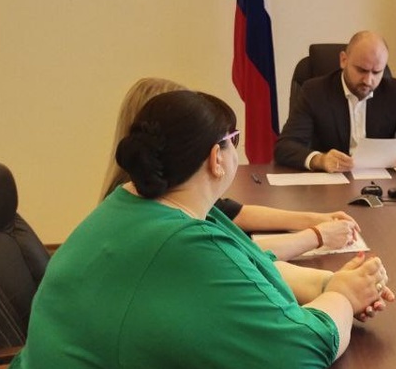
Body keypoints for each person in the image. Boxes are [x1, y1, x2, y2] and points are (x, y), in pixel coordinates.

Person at [0, 90, 396, 369]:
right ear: (215, 158)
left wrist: (330, 285)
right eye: (235, 140)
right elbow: (296, 355)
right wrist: (343, 297)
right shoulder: (179, 242)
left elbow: (248, 266)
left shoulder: (138, 206)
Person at [103, 77, 359, 260]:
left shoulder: (156, 184)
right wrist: (317, 236)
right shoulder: (152, 201)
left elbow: (230, 213)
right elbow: (230, 257)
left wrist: (314, 220)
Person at [275, 31, 396, 172]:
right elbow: (285, 147)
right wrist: (320, 160)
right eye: (361, 70)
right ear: (343, 60)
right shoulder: (314, 91)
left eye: (376, 72)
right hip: (330, 185)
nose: (368, 80)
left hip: (381, 185)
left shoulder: (395, 92)